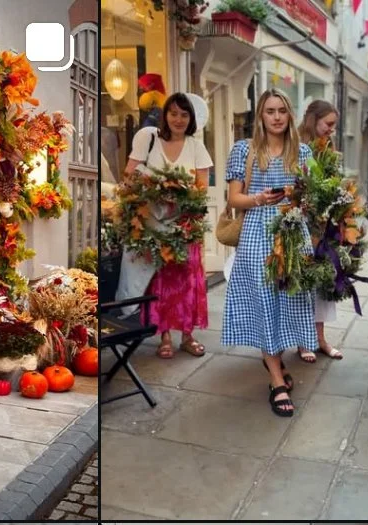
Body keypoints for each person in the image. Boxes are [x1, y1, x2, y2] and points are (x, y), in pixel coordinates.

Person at [223, 89, 316, 417]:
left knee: (291, 301)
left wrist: (300, 201)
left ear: (289, 115)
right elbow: (234, 198)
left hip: (293, 232)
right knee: (264, 302)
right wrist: (258, 199)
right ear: (260, 116)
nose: (276, 117)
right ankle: (276, 379)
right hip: (257, 234)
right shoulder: (243, 150)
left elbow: (311, 199)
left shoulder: (302, 152)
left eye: (281, 111)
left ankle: (274, 361)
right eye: (269, 111)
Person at [123, 93, 213, 359]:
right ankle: (164, 335)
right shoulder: (150, 141)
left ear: (191, 119)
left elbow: (201, 189)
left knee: (187, 282)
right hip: (153, 225)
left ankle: (187, 334)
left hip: (184, 226)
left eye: (184, 115)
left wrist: (182, 199)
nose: (178, 119)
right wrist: (151, 189)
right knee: (160, 282)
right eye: (173, 113)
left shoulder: (196, 147)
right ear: (165, 115)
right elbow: (129, 177)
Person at [295, 99, 345, 363]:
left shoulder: (328, 148)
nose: (331, 130)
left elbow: (333, 183)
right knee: (303, 283)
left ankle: (320, 338)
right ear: (313, 119)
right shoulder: (297, 147)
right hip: (302, 223)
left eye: (334, 125)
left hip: (325, 225)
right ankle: (303, 340)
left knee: (322, 285)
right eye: (329, 124)